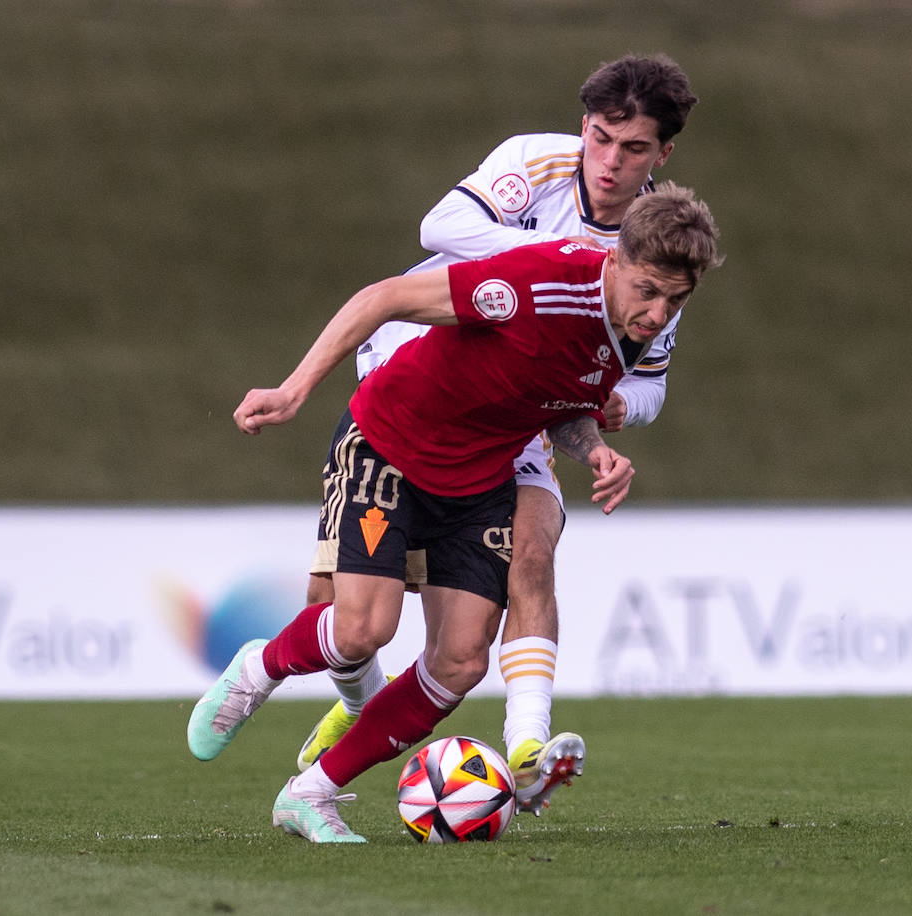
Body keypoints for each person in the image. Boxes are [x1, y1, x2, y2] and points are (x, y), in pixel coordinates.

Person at [188, 181, 723, 843]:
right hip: (390, 447)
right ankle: (256, 670)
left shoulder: (640, 333)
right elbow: (383, 298)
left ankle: (311, 792)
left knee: (462, 660)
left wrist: (595, 453)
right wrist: (295, 389)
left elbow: (564, 406)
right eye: (648, 290)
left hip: (475, 485)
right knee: (362, 632)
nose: (658, 311)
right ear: (613, 261)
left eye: (677, 299)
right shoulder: (538, 283)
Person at [294, 53, 701, 816]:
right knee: (340, 613)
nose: (610, 162)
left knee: (535, 549)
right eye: (602, 138)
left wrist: (620, 413)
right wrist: (554, 274)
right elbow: (440, 226)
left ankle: (526, 749)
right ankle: (358, 697)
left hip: (529, 414)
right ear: (585, 126)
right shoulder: (536, 162)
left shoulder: (658, 243)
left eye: (634, 148)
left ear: (663, 154)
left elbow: (651, 378)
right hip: (420, 376)